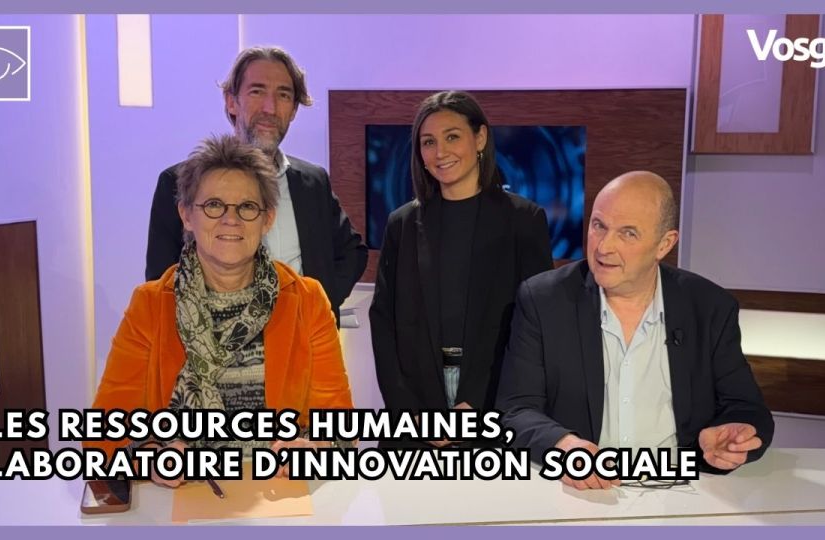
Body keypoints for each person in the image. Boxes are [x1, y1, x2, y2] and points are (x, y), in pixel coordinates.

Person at [88, 135, 353, 486]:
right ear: (186, 215)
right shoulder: (150, 305)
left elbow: (341, 433)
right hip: (184, 498)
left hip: (277, 494)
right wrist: (150, 456)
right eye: (214, 205)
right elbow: (103, 437)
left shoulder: (307, 300)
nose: (231, 219)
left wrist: (316, 448)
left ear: (267, 219)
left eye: (247, 207)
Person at [497, 170, 773, 489]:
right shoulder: (544, 300)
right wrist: (564, 446)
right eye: (599, 226)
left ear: (664, 244)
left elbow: (747, 409)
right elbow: (516, 409)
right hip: (581, 492)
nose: (604, 247)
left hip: (679, 489)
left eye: (628, 233)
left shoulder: (709, 307)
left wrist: (732, 435)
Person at [369, 91, 553, 446]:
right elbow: (383, 325)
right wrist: (411, 414)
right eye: (428, 142)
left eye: (452, 137)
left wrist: (480, 406)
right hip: (416, 415)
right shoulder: (401, 224)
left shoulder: (524, 220)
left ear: (480, 138)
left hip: (493, 409)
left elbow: (534, 327)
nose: (440, 152)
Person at [146, 46, 367, 321]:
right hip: (212, 346)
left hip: (302, 342)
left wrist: (318, 305)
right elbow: (161, 285)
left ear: (294, 110)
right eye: (257, 91)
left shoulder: (313, 182)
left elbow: (352, 253)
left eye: (283, 95)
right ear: (231, 101)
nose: (270, 108)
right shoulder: (179, 182)